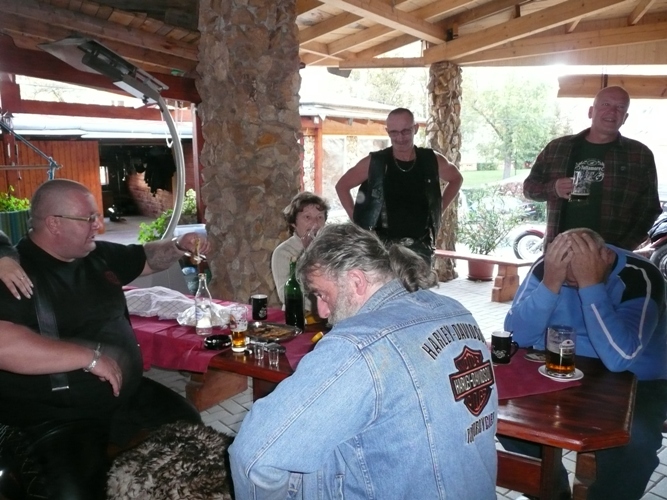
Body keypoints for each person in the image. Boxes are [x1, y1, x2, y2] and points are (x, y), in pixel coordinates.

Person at [230, 223, 498, 500]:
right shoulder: (457, 312)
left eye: (321, 294)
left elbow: (254, 456)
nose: (322, 311)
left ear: (356, 281)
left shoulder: (358, 345)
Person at [0, 179, 209, 499]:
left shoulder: (96, 256)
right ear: (54, 224)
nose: (98, 226)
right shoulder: (15, 273)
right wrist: (89, 357)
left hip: (127, 395)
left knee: (191, 433)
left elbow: (146, 258)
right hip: (54, 416)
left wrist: (178, 245)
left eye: (97, 216)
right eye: (88, 219)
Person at [502, 227, 667, 500]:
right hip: (558, 368)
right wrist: (550, 283)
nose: (571, 282)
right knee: (509, 421)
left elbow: (620, 358)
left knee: (634, 443)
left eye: (576, 274)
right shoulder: (548, 267)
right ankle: (553, 493)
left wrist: (591, 286)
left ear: (605, 256)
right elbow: (516, 336)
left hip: (637, 379)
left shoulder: (641, 275)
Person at [523, 85, 661, 251]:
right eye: (605, 104)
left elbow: (649, 209)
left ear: (625, 117)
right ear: (590, 111)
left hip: (611, 255)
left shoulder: (640, 155)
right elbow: (529, 189)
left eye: (620, 107)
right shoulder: (558, 148)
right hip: (559, 252)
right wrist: (554, 188)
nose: (612, 111)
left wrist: (621, 248)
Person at [335, 107, 463, 264]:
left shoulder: (430, 160)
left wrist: (439, 209)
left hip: (420, 247)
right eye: (394, 132)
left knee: (419, 281)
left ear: (415, 129)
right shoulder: (375, 162)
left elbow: (456, 178)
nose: (400, 138)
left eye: (405, 131)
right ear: (387, 132)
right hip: (382, 249)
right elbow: (342, 186)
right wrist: (358, 223)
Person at [271, 191, 328, 308]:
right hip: (299, 314)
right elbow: (285, 295)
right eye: (307, 217)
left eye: (320, 217)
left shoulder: (332, 248)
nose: (315, 223)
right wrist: (308, 255)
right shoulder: (283, 252)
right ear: (293, 223)